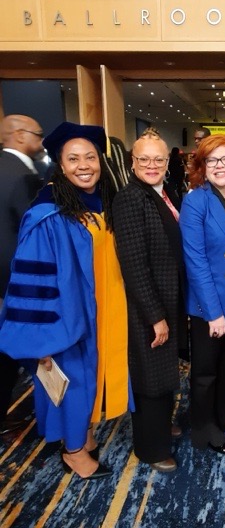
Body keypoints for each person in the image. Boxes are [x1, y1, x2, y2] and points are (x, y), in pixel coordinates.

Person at [0, 122, 133, 479]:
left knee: (92, 380)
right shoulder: (48, 213)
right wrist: (43, 338)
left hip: (104, 314)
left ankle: (84, 435)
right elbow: (34, 280)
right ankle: (73, 451)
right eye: (73, 159)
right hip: (68, 322)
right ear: (60, 164)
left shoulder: (103, 201)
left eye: (90, 156)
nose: (84, 165)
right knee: (74, 384)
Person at [112, 132, 187, 472]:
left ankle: (159, 427)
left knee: (163, 373)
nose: (152, 165)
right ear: (133, 162)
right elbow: (133, 264)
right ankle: (151, 448)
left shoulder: (165, 192)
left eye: (159, 159)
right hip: (148, 306)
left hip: (168, 298)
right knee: (150, 379)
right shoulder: (130, 199)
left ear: (168, 163)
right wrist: (155, 316)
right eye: (144, 159)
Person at [179, 134, 225, 454]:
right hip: (210, 304)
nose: (219, 166)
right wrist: (213, 312)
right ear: (202, 166)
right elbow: (196, 261)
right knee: (205, 371)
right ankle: (203, 426)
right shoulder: (196, 200)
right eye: (212, 160)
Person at [0, 114, 44, 434]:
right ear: (18, 135)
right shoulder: (21, 177)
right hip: (13, 283)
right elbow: (30, 234)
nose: (41, 141)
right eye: (38, 134)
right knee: (9, 355)